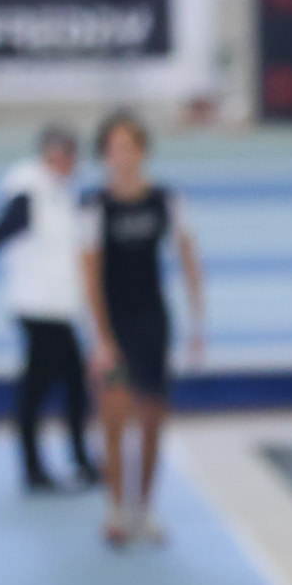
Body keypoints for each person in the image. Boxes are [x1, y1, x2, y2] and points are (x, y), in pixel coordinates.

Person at [0, 124, 98, 491]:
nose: (74, 164)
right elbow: (1, 229)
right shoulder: (30, 186)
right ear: (53, 155)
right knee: (41, 388)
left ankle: (74, 461)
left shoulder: (61, 193)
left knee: (68, 386)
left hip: (60, 307)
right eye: (69, 155)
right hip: (37, 306)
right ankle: (40, 466)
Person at [83, 109, 207, 548]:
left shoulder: (166, 201)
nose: (123, 156)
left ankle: (145, 507)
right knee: (114, 418)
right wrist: (101, 338)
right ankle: (116, 509)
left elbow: (189, 258)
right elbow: (90, 276)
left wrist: (198, 321)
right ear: (105, 156)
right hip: (113, 328)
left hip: (152, 324)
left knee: (153, 422)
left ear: (143, 152)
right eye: (114, 148)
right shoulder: (94, 206)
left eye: (130, 147)